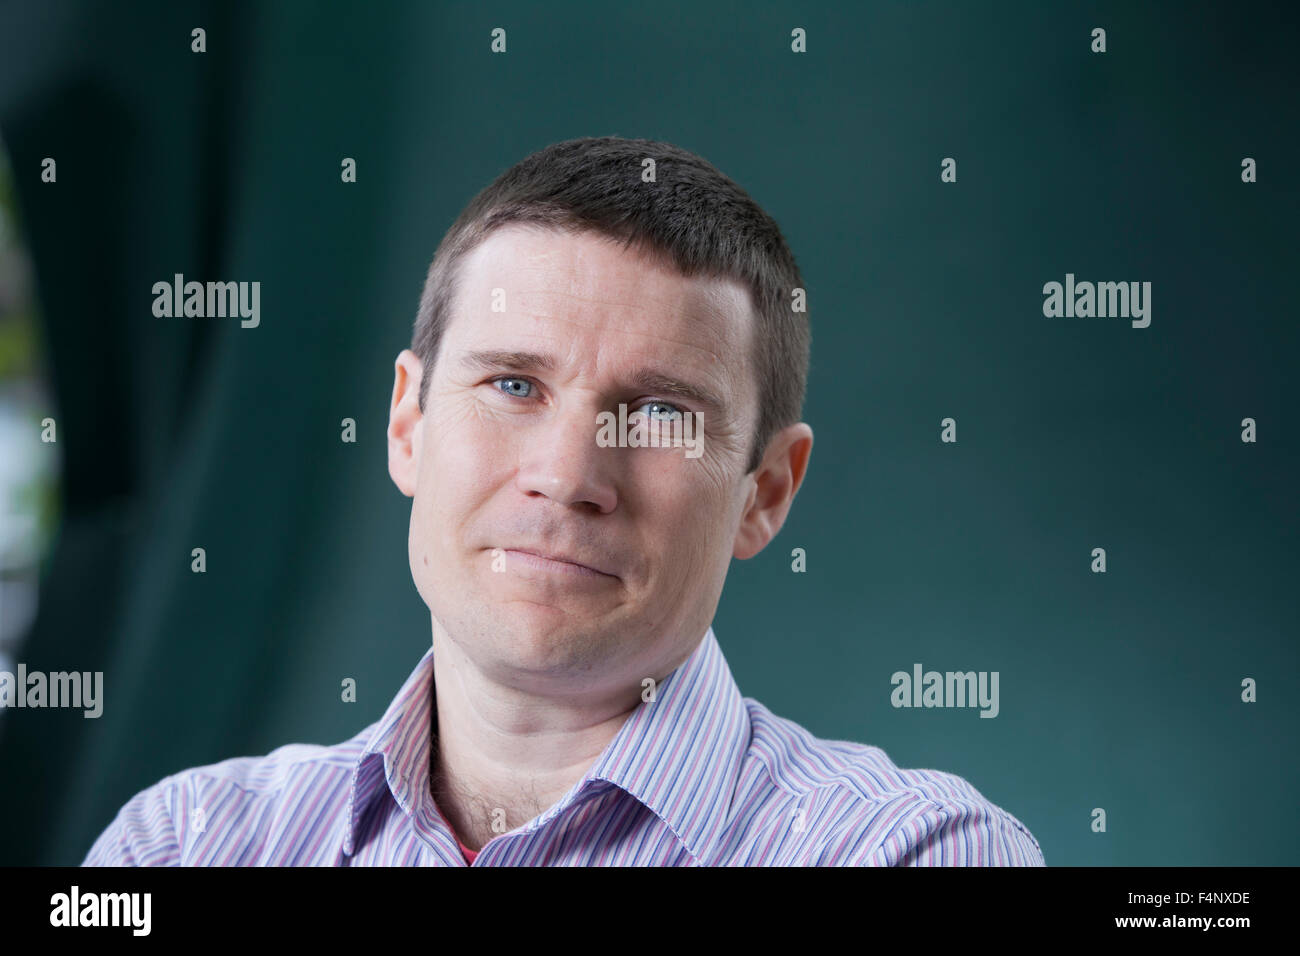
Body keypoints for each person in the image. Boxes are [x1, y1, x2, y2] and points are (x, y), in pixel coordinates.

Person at [84, 135, 1044, 866]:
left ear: (765, 493)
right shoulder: (183, 844)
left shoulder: (910, 853)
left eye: (660, 414)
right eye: (512, 386)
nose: (568, 475)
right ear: (407, 425)